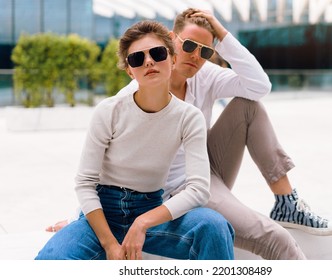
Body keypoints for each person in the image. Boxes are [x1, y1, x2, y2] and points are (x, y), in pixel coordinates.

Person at [48, 8, 332, 259]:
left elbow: (260, 86)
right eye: (188, 46)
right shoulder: (131, 99)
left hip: (205, 171)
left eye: (205, 51)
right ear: (172, 42)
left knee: (249, 106)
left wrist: (222, 35)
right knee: (272, 236)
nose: (195, 57)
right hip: (179, 189)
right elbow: (113, 169)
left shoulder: (205, 76)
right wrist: (82, 217)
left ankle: (287, 202)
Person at [36, 20, 235, 260]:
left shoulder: (188, 117)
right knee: (50, 261)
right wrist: (110, 244)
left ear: (172, 59)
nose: (149, 61)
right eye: (137, 59)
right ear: (130, 70)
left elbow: (198, 189)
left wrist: (142, 222)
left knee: (214, 226)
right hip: (102, 214)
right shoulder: (109, 110)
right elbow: (85, 183)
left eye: (158, 53)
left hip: (151, 210)